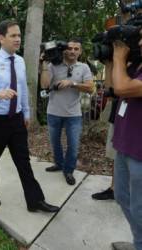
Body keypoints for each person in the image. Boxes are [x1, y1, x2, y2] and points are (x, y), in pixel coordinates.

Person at [0, 20, 59, 213]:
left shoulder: (19, 61)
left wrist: (27, 112)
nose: (18, 39)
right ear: (1, 38)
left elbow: (23, 89)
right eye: (13, 35)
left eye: (19, 35)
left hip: (17, 120)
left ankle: (35, 200)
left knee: (23, 161)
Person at [40, 39, 94, 185]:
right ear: (64, 49)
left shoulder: (83, 67)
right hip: (53, 112)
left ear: (80, 52)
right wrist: (44, 63)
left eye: (76, 49)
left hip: (74, 114)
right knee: (55, 142)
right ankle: (58, 163)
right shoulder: (53, 65)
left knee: (73, 145)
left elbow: (90, 87)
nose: (72, 51)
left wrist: (72, 83)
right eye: (70, 48)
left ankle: (68, 170)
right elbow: (44, 85)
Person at [109, 39, 142, 250]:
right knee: (121, 196)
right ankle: (139, 241)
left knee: (140, 208)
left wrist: (119, 56)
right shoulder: (137, 64)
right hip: (125, 145)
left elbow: (122, 87)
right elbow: (112, 86)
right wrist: (110, 62)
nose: (139, 42)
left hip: (140, 151)